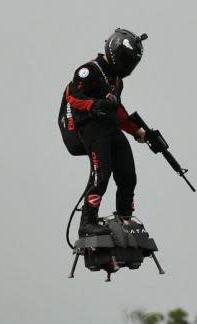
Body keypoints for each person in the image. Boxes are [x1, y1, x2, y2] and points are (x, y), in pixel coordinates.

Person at [61, 29, 147, 236]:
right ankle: (87, 223)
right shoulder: (89, 70)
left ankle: (124, 219)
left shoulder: (117, 80)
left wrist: (136, 130)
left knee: (128, 175)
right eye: (126, 60)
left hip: (110, 128)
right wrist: (95, 105)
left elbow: (117, 110)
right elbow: (72, 96)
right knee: (102, 175)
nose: (128, 67)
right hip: (92, 128)